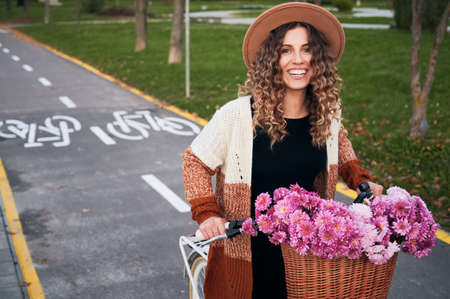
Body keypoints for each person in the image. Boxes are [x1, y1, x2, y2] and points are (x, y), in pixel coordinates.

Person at [182, 2, 383, 299]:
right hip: (247, 257)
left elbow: (340, 148)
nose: (297, 60)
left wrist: (360, 179)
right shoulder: (237, 116)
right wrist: (208, 214)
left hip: (306, 259)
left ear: (319, 58)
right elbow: (194, 161)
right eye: (285, 50)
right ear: (271, 59)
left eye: (306, 49)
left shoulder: (327, 112)